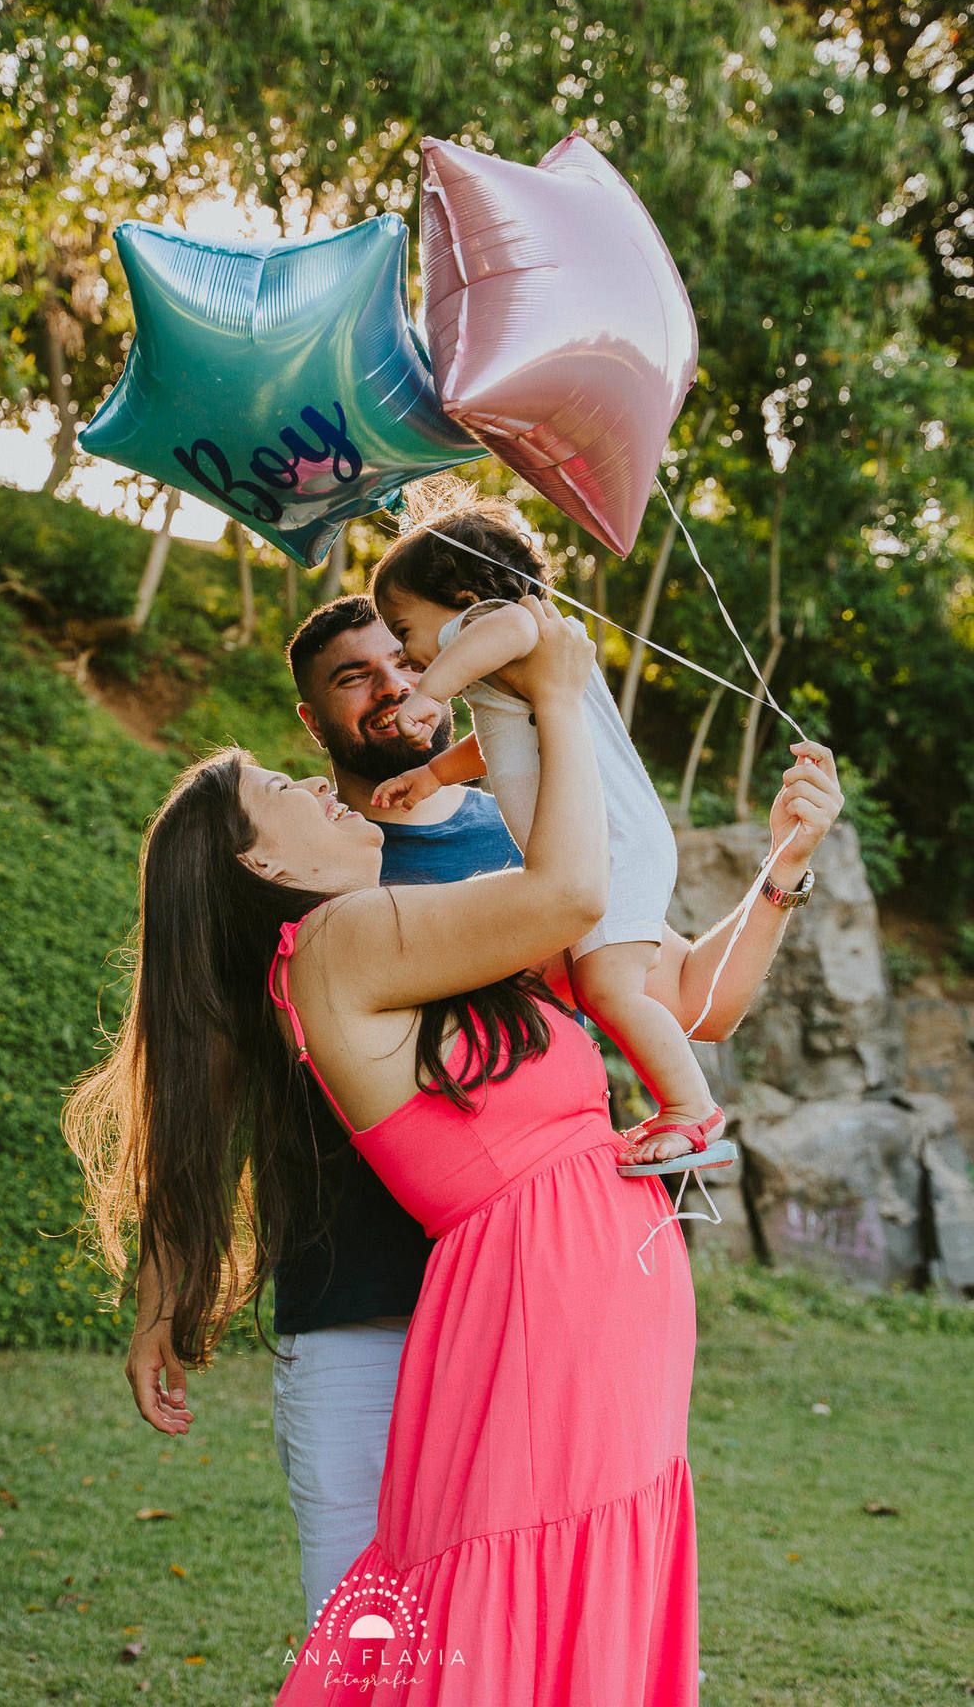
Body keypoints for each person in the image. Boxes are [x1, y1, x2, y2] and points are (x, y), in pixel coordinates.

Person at [118, 591, 843, 1636]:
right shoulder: (287, 906)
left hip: (536, 1312)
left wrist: (783, 870)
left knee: (518, 1623)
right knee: (377, 1633)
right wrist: (163, 1296)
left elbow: (688, 998)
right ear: (310, 722)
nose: (392, 686)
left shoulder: (520, 838)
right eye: (352, 677)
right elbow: (192, 1096)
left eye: (398, 657)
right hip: (358, 1313)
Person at [367, 496, 729, 1176]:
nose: (404, 653)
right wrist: (435, 775)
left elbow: (500, 625)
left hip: (614, 840)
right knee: (605, 983)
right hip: (615, 839)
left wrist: (432, 693)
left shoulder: (510, 624)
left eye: (404, 626)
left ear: (464, 598)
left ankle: (692, 1107)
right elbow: (499, 744)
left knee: (608, 988)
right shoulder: (512, 674)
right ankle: (682, 1100)